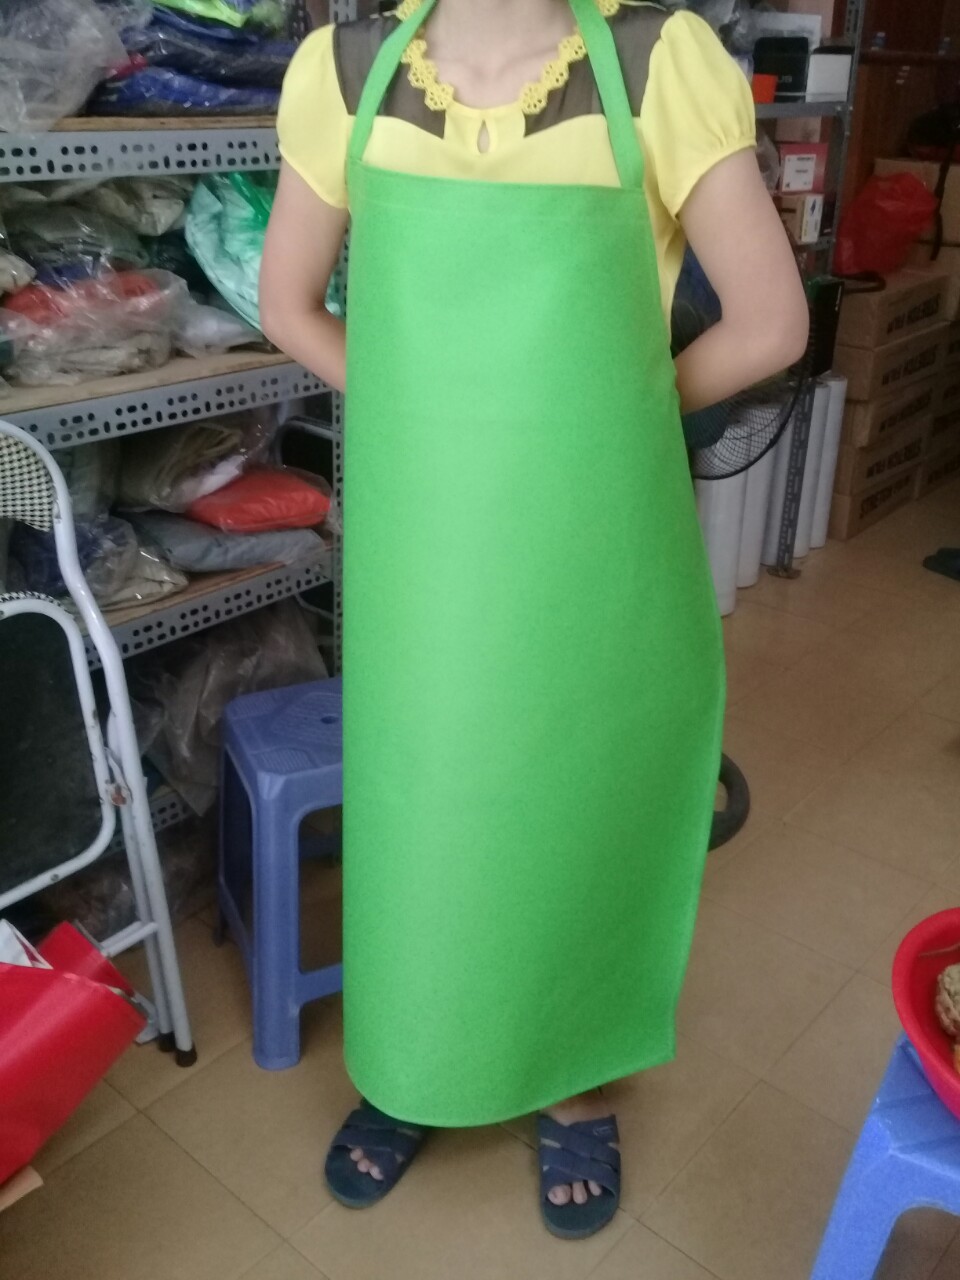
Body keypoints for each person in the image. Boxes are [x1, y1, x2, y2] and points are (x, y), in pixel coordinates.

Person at [260, 0, 808, 1241]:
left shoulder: (656, 62)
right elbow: (288, 302)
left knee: (571, 789)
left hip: (590, 530)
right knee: (427, 795)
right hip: (429, 537)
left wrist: (605, 421)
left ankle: (572, 1073)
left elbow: (774, 324)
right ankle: (412, 1060)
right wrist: (425, 412)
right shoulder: (347, 70)